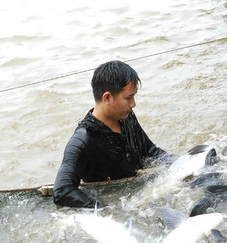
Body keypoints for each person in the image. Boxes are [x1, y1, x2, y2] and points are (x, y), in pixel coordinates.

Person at [53, 60, 168, 207]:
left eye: (134, 97)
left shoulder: (127, 117)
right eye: (128, 98)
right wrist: (104, 209)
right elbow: (62, 190)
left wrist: (178, 163)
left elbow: (150, 151)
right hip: (118, 202)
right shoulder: (82, 141)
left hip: (141, 191)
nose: (133, 104)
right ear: (107, 98)